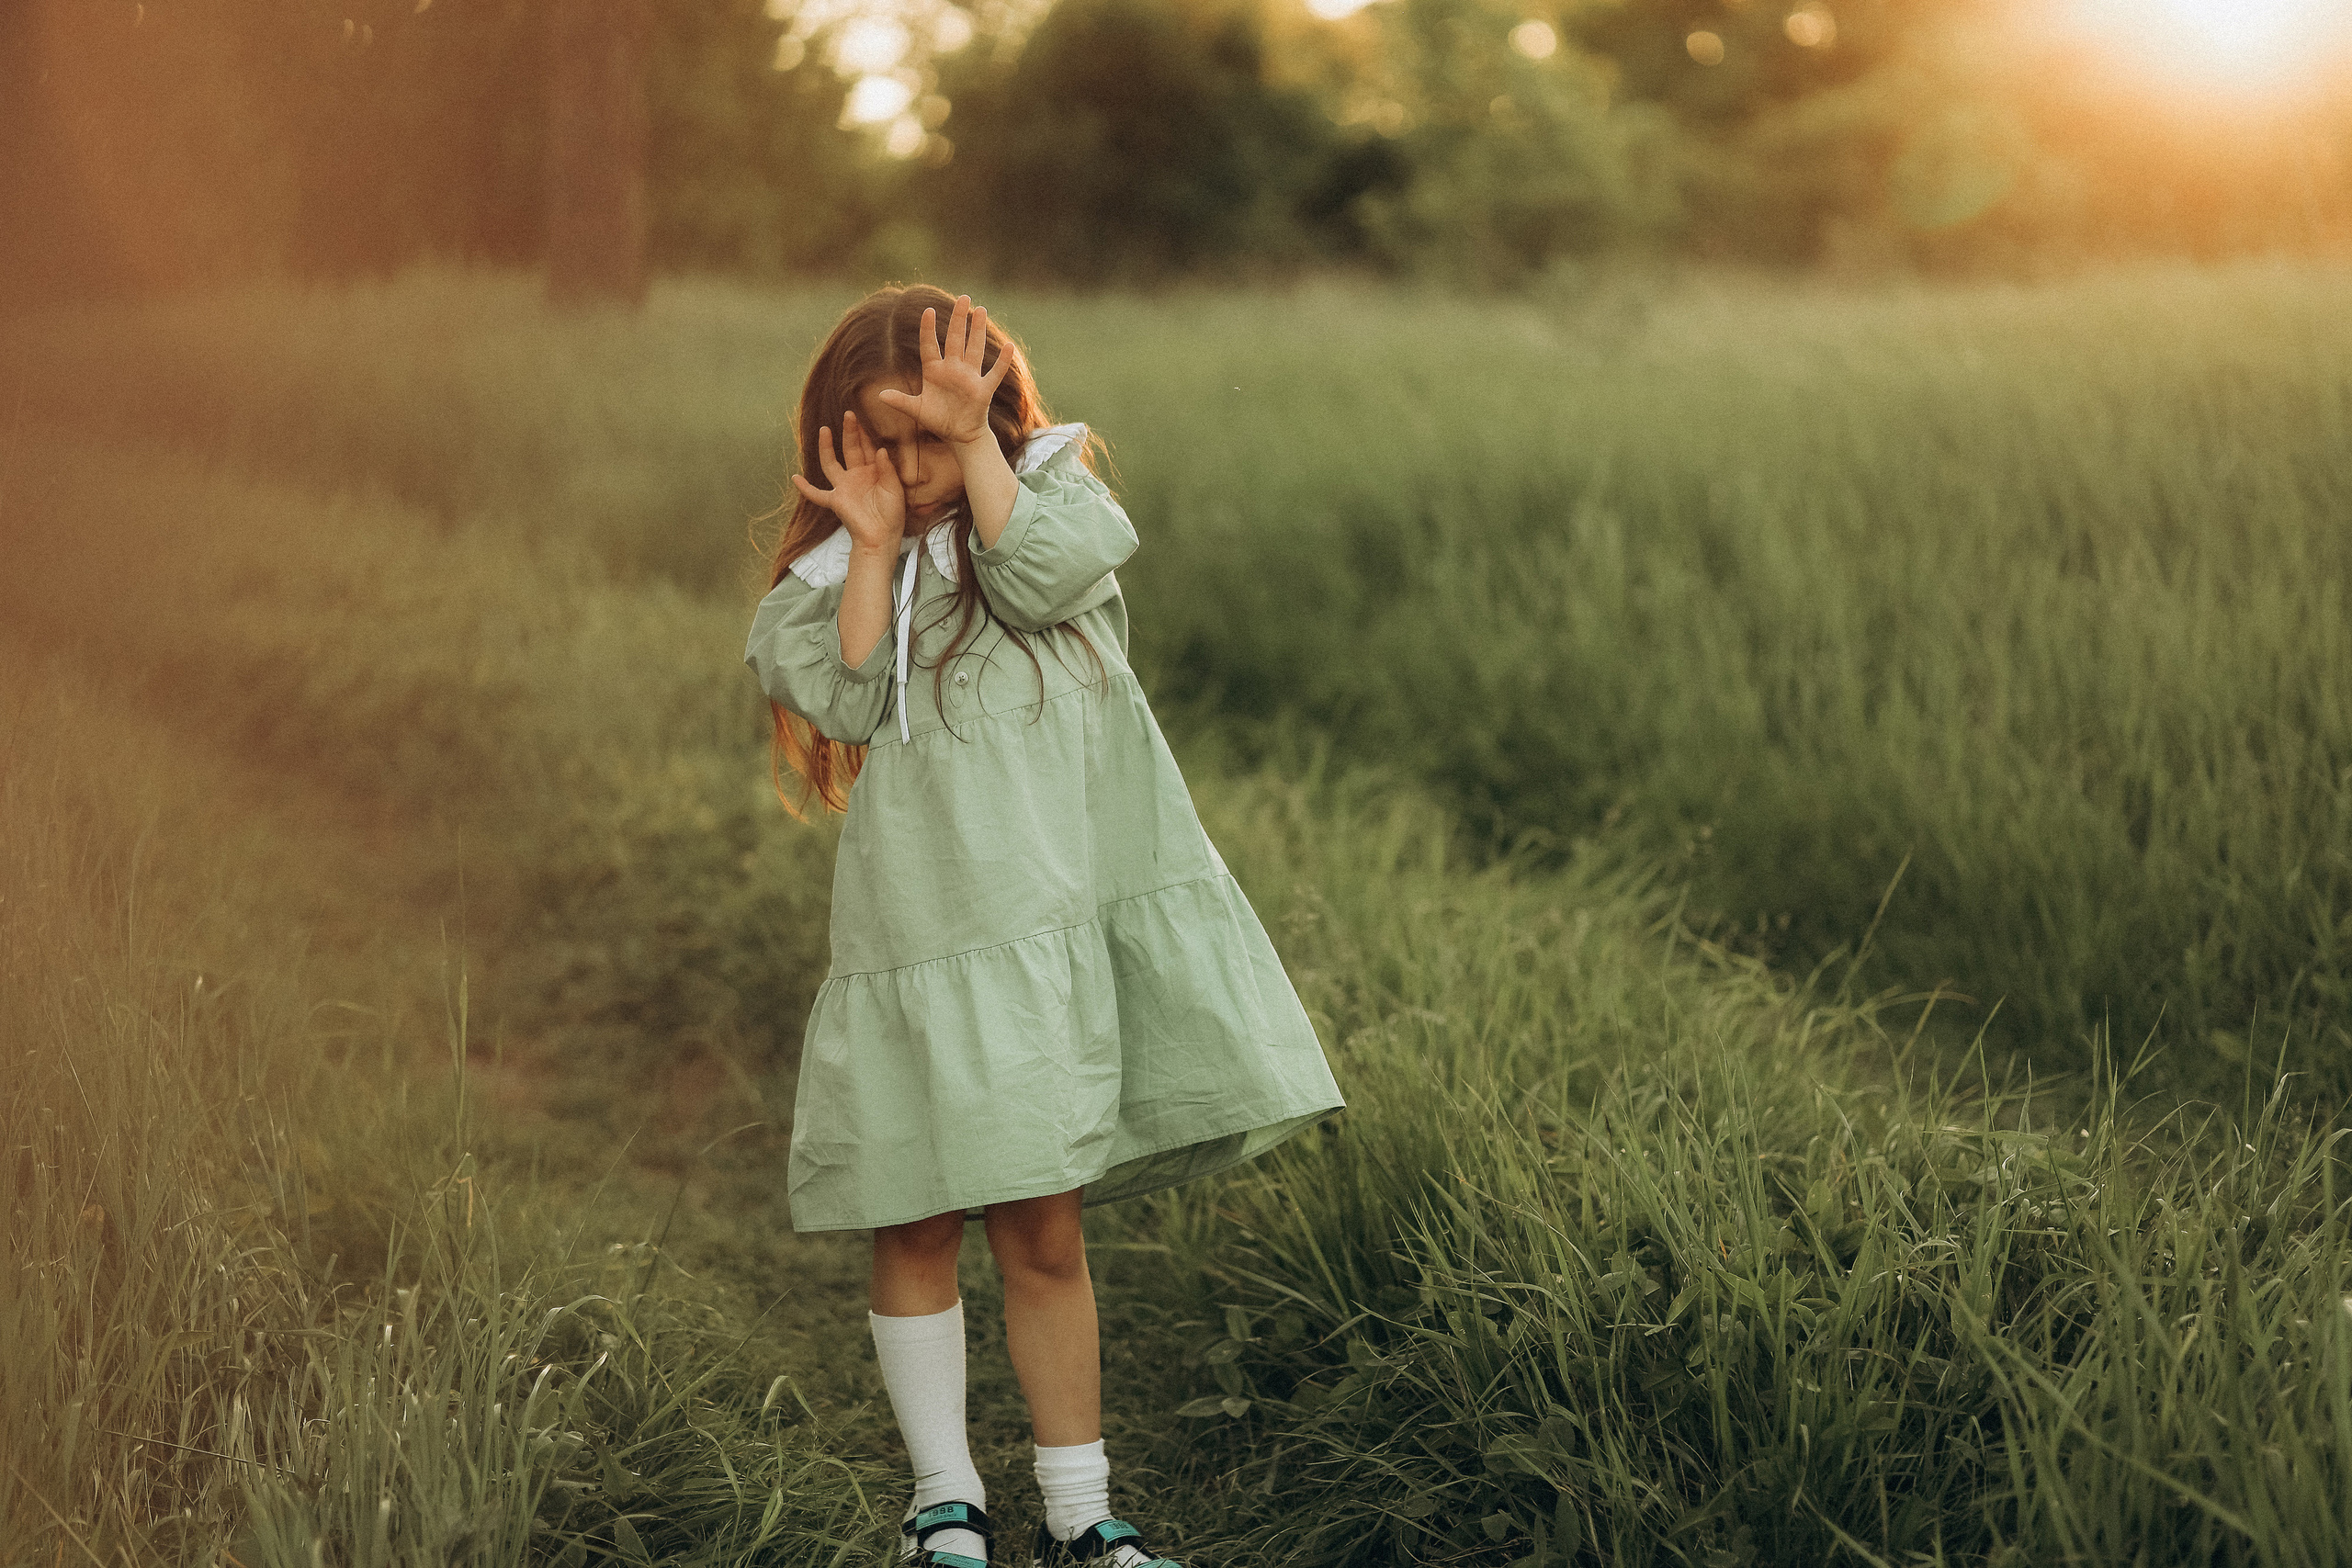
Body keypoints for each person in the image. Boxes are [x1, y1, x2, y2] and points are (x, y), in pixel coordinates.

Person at [742, 286, 1345, 1568]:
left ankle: (1083, 1514)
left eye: (935, 435)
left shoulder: (1054, 506)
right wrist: (867, 545)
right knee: (910, 1218)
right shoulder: (847, 568)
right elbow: (845, 700)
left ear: (993, 418)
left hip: (1047, 934)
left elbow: (1039, 578)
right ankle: (943, 1502)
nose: (910, 468)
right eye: (884, 442)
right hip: (919, 942)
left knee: (1043, 1231)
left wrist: (973, 452)